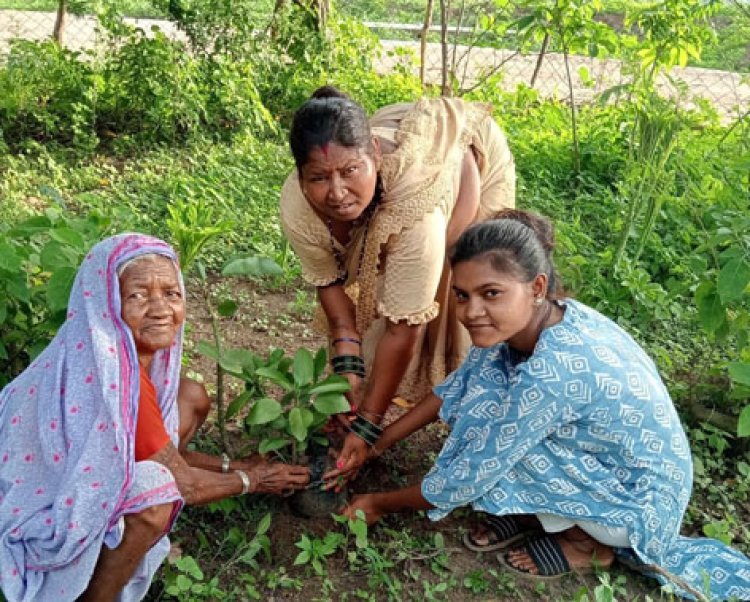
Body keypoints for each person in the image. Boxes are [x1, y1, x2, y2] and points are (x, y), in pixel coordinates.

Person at [341, 210, 750, 600]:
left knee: (493, 440)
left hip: (636, 499)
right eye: (462, 295)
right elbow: (455, 389)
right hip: (617, 465)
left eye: (491, 294)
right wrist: (375, 442)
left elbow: (467, 477)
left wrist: (379, 503)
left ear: (536, 288)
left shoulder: (552, 373)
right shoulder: (538, 320)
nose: (470, 312)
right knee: (484, 405)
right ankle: (530, 513)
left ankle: (586, 545)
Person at [0, 233, 309, 602]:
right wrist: (253, 479)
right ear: (107, 302)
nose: (161, 308)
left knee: (189, 395)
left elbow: (153, 450)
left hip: (74, 478)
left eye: (172, 293)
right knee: (154, 492)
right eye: (138, 295)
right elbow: (183, 483)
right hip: (39, 510)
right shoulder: (114, 375)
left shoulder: (106, 349)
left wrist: (233, 464)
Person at [280, 86, 516, 480]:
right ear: (300, 178)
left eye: (350, 171)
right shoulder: (298, 207)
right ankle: (369, 394)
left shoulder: (413, 209)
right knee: (390, 303)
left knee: (467, 288)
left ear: (374, 153)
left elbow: (404, 327)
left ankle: (477, 411)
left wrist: (369, 425)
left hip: (468, 168)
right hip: (407, 196)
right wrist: (347, 367)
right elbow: (331, 282)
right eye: (319, 177)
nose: (336, 192)